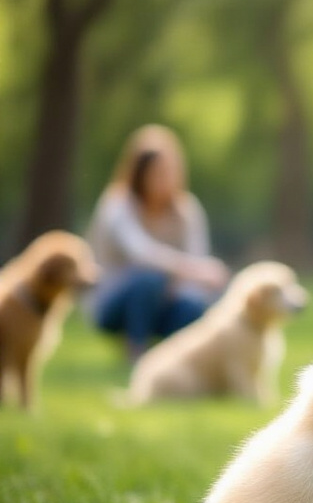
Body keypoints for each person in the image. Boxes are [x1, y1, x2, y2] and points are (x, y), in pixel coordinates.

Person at [86, 124, 229, 362]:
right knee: (149, 279)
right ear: (140, 174)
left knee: (193, 305)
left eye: (171, 171)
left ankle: (176, 360)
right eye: (159, 172)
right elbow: (141, 253)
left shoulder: (186, 210)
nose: (167, 179)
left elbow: (197, 259)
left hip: (167, 298)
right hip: (114, 303)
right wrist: (192, 271)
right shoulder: (118, 205)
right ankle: (136, 352)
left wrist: (195, 278)